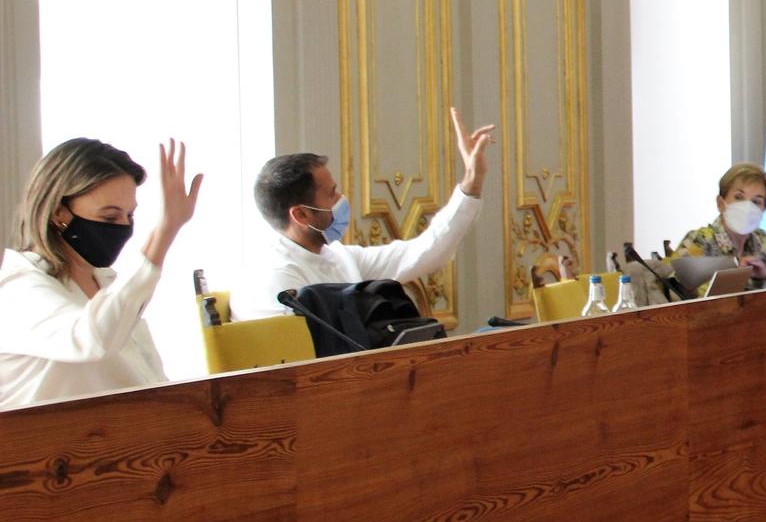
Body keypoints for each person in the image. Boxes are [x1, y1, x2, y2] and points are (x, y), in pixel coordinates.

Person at [0, 138, 202, 410]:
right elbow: (90, 340)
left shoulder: (105, 282)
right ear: (59, 211)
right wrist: (164, 233)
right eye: (109, 217)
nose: (121, 228)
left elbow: (146, 375)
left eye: (129, 217)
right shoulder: (17, 288)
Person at [236, 107, 494, 320]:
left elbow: (423, 252)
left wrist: (472, 180)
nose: (341, 200)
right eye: (332, 194)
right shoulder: (276, 277)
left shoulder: (339, 257)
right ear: (301, 215)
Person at [674, 164, 766, 289]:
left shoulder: (759, 240)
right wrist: (732, 280)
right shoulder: (699, 239)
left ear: (764, 209)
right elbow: (673, 295)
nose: (747, 207)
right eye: (739, 197)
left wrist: (760, 279)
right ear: (720, 204)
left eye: (756, 201)